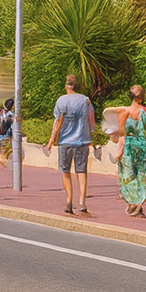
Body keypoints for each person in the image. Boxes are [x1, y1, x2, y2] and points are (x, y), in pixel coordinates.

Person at [44, 74, 97, 216]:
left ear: (66, 85)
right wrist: (91, 135)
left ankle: (69, 201)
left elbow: (58, 122)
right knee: (81, 171)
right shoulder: (85, 100)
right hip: (82, 141)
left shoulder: (61, 101)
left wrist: (51, 141)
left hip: (65, 142)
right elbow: (91, 121)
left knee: (65, 171)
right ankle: (82, 202)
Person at [115, 85, 146, 217]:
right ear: (142, 96)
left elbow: (121, 133)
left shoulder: (124, 111)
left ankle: (132, 203)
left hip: (128, 145)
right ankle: (138, 204)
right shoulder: (145, 111)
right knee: (140, 174)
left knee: (128, 173)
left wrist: (119, 150)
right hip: (142, 144)